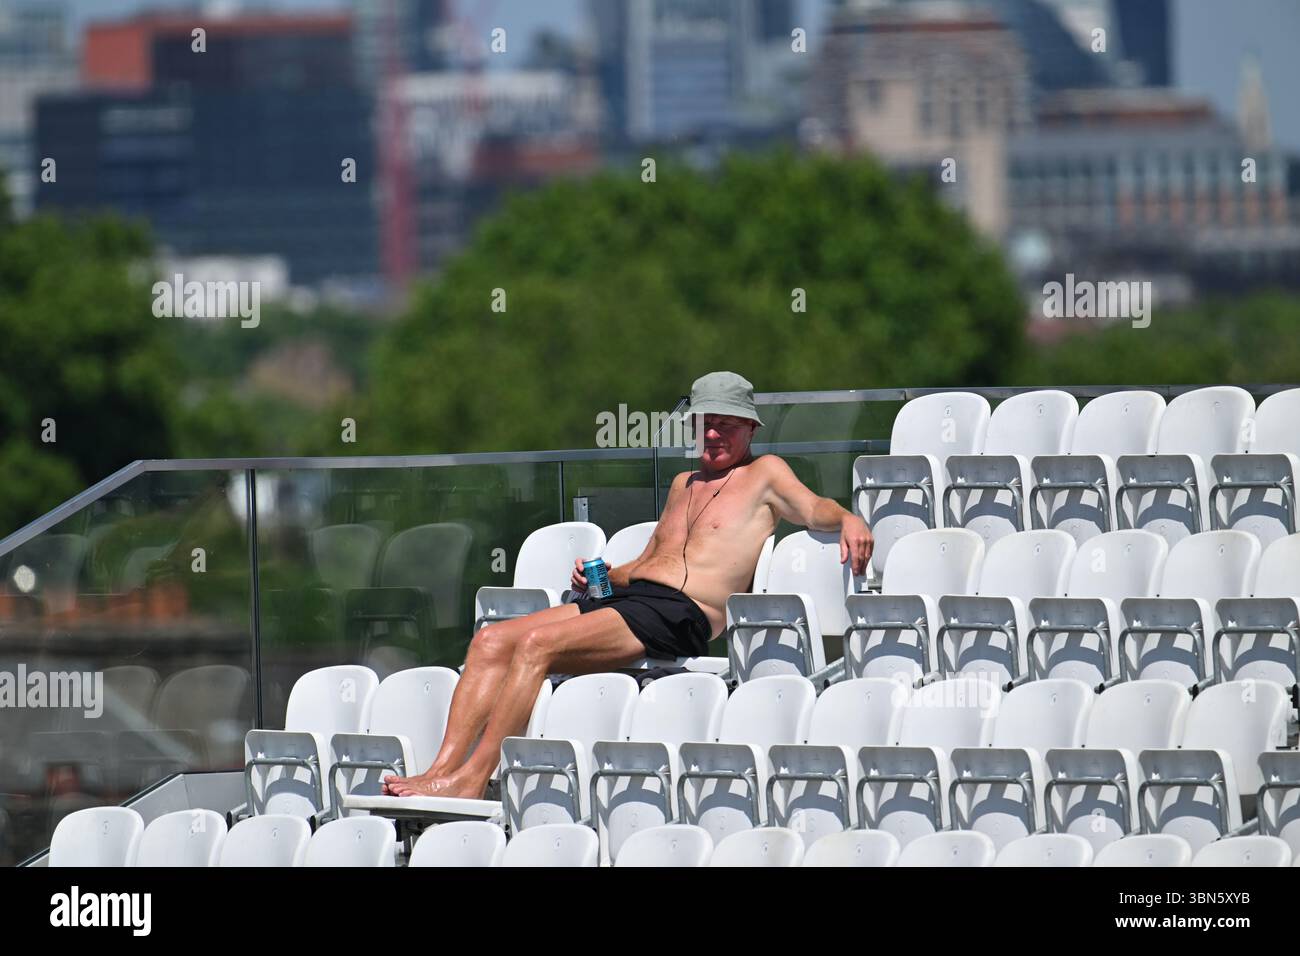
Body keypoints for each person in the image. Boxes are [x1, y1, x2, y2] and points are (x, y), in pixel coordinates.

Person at [383, 371, 873, 798]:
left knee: (535, 645)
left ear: (750, 427)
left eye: (726, 423)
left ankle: (474, 777)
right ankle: (440, 771)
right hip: (635, 596)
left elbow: (813, 509)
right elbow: (653, 559)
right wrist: (601, 573)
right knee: (490, 641)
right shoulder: (684, 483)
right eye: (706, 422)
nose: (714, 432)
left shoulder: (765, 473)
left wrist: (848, 517)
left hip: (683, 613)